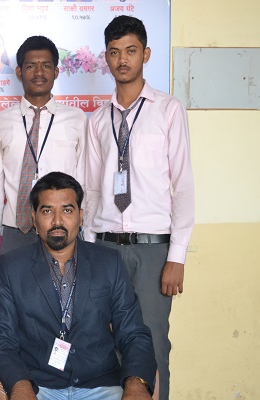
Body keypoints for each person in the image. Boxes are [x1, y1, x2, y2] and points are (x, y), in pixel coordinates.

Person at [84, 16, 194, 400]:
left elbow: (184, 186)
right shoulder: (98, 120)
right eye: (114, 52)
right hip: (105, 249)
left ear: (145, 54)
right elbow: (92, 191)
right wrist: (88, 251)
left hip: (152, 250)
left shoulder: (168, 110)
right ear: (106, 58)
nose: (122, 60)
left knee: (153, 343)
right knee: (106, 343)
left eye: (130, 51)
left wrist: (176, 255)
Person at [0, 172, 156, 400]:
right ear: (34, 218)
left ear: (81, 216)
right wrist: (20, 385)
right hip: (39, 387)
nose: (57, 221)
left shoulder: (109, 263)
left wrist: (136, 383)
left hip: (101, 386)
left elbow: (134, 333)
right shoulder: (12, 267)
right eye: (47, 211)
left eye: (67, 210)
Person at [0, 35, 87, 286]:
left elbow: (85, 181)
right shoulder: (1, 121)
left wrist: (87, 238)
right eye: (31, 65)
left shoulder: (77, 119)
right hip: (16, 231)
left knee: (64, 300)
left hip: (63, 231)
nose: (39, 72)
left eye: (46, 65)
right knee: (14, 299)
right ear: (19, 72)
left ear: (56, 71)